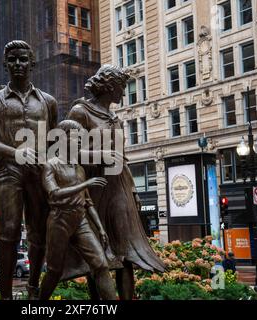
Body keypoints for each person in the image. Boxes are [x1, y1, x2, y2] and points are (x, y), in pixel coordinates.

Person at [66, 65, 165, 300]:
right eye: (122, 86)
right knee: (97, 254)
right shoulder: (81, 112)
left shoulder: (115, 118)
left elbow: (123, 159)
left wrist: (133, 189)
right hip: (94, 187)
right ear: (110, 86)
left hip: (119, 185)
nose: (123, 91)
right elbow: (67, 153)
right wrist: (102, 156)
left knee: (125, 251)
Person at [0, 40, 58, 299]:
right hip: (8, 172)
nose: (18, 64)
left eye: (23, 59)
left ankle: (33, 287)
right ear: (5, 64)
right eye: (12, 59)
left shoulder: (48, 101)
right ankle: (6, 295)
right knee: (8, 235)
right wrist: (15, 152)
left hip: (39, 173)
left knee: (39, 233)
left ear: (32, 63)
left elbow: (55, 139)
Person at [39, 120, 116, 300]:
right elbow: (54, 193)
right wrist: (86, 183)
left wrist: (100, 228)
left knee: (101, 265)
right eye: (76, 138)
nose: (80, 141)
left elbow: (88, 203)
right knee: (54, 271)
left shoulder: (79, 168)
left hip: (81, 220)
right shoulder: (51, 165)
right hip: (59, 220)